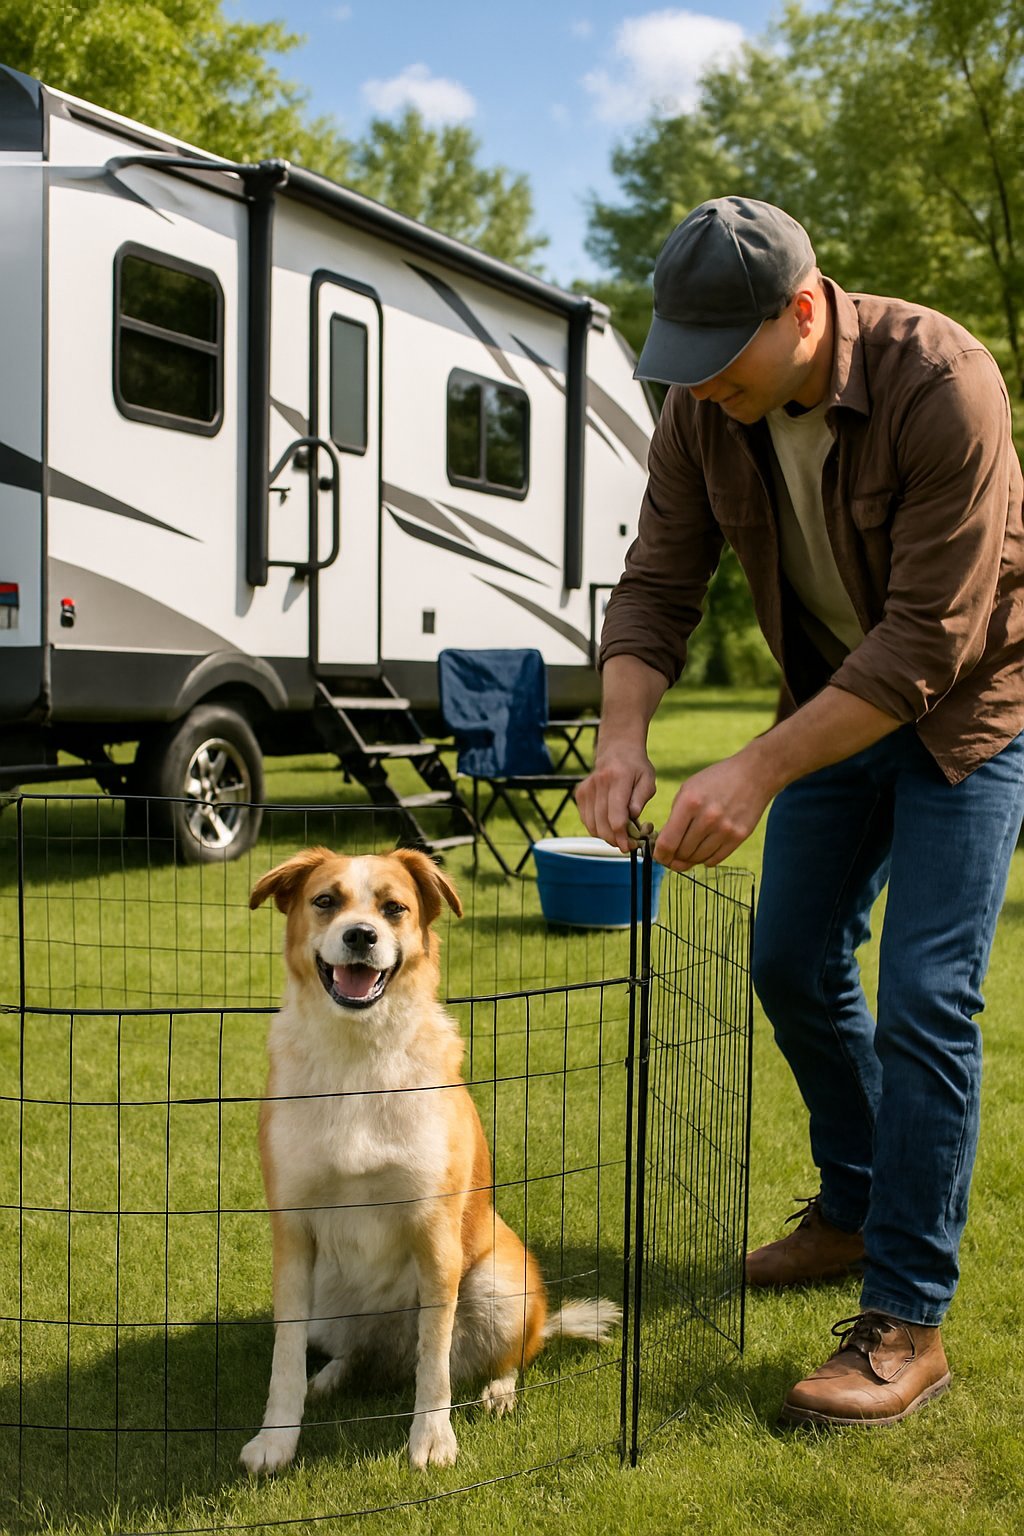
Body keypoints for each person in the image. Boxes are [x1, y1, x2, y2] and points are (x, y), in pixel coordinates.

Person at [576, 195, 1024, 1428]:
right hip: (829, 704)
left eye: (722, 360)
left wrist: (758, 768)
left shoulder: (945, 383)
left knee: (928, 994)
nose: (700, 386)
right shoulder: (700, 413)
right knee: (787, 957)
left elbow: (929, 643)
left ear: (807, 310)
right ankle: (851, 1204)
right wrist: (621, 743)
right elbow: (658, 581)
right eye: (685, 364)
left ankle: (905, 1317)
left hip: (966, 716)